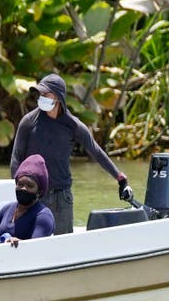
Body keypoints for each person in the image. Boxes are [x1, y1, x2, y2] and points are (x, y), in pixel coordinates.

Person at [11, 73, 134, 235]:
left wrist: (121, 179)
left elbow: (96, 151)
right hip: (35, 196)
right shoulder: (28, 122)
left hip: (62, 197)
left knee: (63, 245)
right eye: (40, 94)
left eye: (46, 94)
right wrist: (21, 189)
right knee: (33, 242)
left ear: (58, 97)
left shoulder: (73, 125)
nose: (41, 97)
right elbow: (16, 159)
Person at [0, 154, 55, 246]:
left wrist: (20, 244)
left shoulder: (44, 216)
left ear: (39, 192)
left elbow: (37, 248)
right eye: (20, 184)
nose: (23, 188)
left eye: (29, 186)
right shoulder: (6, 210)